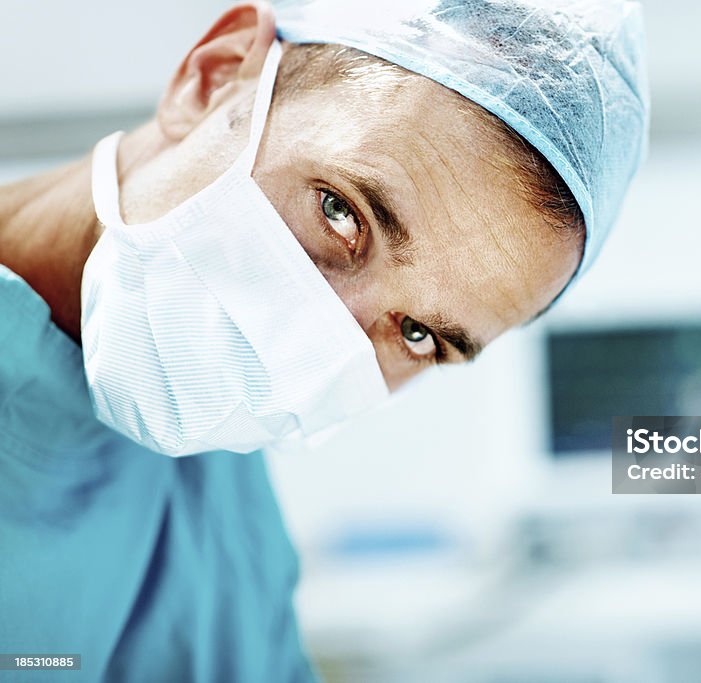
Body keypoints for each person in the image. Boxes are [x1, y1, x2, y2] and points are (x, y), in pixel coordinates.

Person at [0, 0, 647, 680]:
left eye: (421, 334)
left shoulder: (223, 521)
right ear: (213, 78)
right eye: (341, 212)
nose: (317, 335)